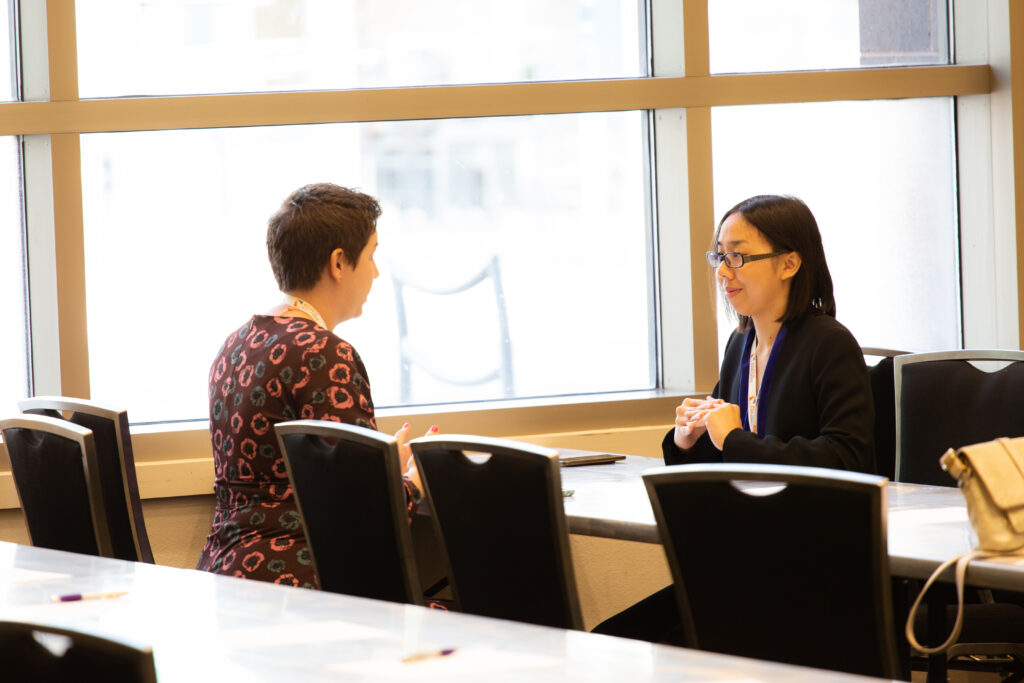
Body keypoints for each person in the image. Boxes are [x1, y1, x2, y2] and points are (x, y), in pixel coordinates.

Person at [593, 193, 874, 643]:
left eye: (739, 256)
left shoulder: (829, 344)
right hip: (745, 553)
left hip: (807, 564)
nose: (724, 271)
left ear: (789, 264)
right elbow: (721, 462)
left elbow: (847, 458)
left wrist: (734, 438)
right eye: (720, 256)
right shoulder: (740, 344)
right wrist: (687, 440)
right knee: (608, 640)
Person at [196, 183, 434, 588]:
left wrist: (381, 461)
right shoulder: (323, 353)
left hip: (225, 578)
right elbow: (364, 512)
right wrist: (412, 482)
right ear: (339, 263)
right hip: (302, 585)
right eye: (372, 256)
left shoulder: (235, 344)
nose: (375, 272)